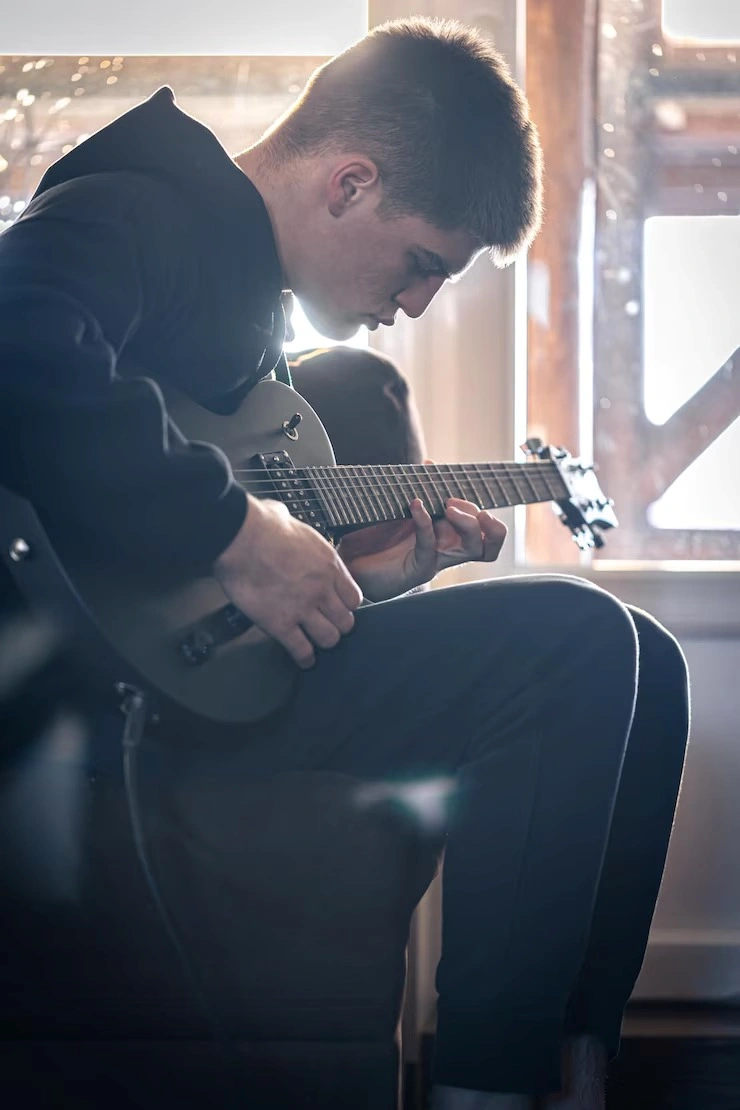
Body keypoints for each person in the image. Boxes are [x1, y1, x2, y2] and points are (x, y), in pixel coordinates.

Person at [0, 17, 689, 1110]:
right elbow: (16, 344)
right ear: (348, 183)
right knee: (579, 642)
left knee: (650, 662)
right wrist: (231, 531)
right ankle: (484, 1092)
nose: (413, 304)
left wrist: (355, 581)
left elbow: (180, 577)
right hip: (87, 700)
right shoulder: (142, 205)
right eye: (421, 262)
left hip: (176, 669)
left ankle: (575, 1071)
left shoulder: (246, 306)